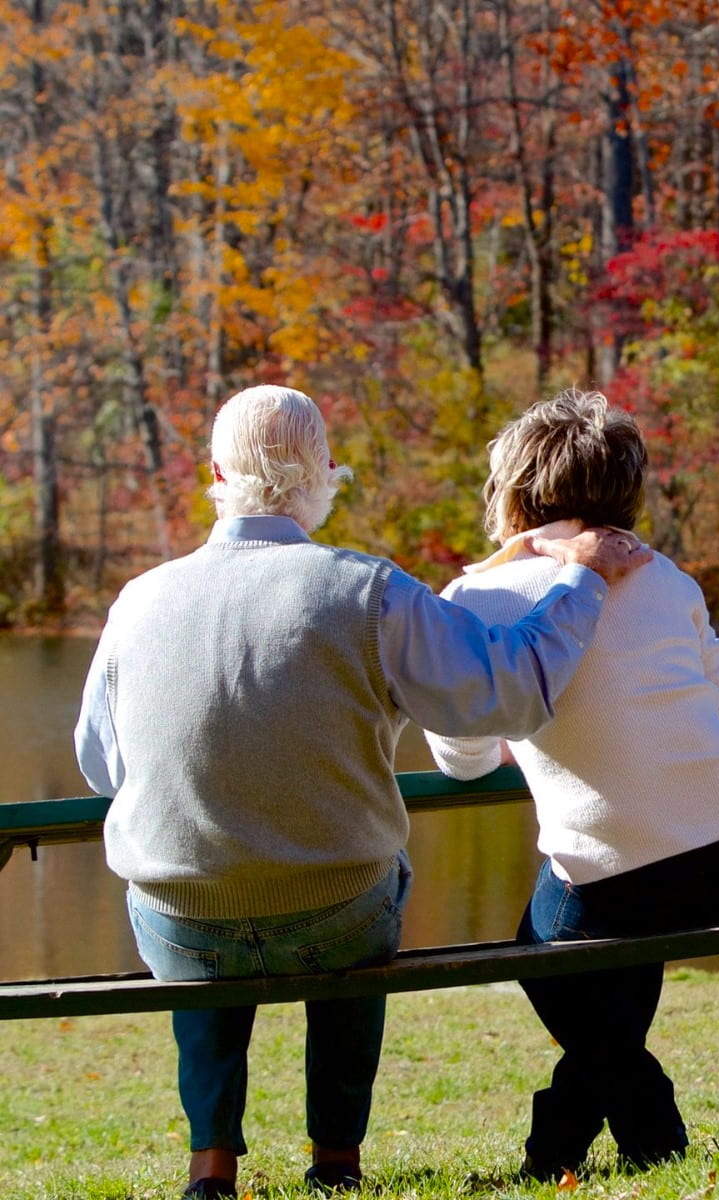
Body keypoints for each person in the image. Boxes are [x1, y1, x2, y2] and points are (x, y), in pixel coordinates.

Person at [73, 384, 651, 1200]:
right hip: (337, 914)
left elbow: (101, 766)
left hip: (181, 925)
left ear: (212, 472)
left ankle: (211, 1166)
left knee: (200, 898)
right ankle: (336, 1158)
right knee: (362, 882)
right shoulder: (368, 592)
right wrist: (584, 582)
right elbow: (505, 691)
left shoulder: (137, 603)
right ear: (326, 473)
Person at [425, 388, 719, 1179]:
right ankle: (557, 1147)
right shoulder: (665, 578)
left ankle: (648, 1130)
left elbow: (463, 757)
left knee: (542, 948)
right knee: (614, 958)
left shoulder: (478, 597)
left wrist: (532, 735)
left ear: (513, 490)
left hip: (625, 875)